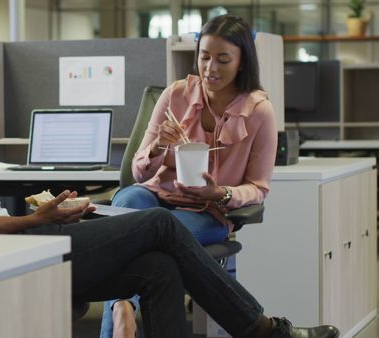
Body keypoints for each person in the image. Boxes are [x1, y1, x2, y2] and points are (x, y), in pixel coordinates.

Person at [0, 15, 339, 338]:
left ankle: (258, 329)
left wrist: (46, 216)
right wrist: (29, 221)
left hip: (24, 243)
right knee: (158, 223)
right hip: (10, 253)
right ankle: (261, 329)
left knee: (160, 269)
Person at [101, 14, 279, 337]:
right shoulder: (176, 95)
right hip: (156, 196)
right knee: (128, 198)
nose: (210, 68)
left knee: (147, 239)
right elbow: (137, 171)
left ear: (242, 63)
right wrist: (157, 147)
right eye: (204, 57)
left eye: (223, 59)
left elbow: (258, 188)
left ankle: (120, 308)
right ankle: (122, 310)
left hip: (208, 212)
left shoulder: (258, 112)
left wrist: (221, 193)